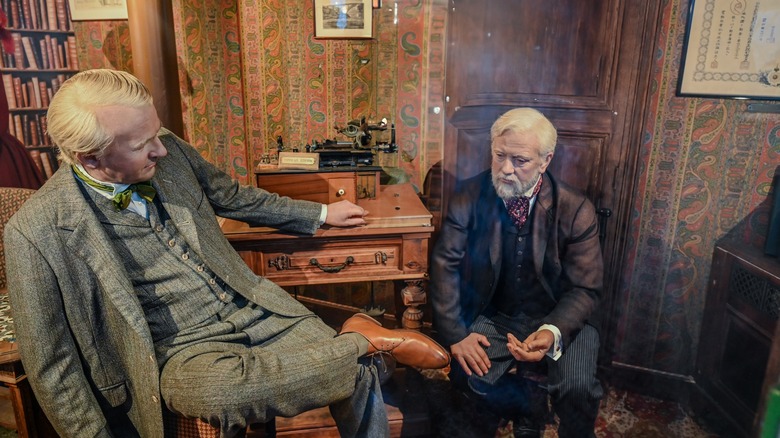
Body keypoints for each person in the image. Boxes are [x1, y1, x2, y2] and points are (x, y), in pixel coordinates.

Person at [4, 68, 449, 437]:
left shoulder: (169, 149)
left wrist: (320, 213)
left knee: (357, 373)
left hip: (254, 307)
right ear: (90, 157)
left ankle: (356, 349)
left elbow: (233, 196)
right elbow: (52, 363)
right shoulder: (36, 230)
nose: (161, 148)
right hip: (181, 351)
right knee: (222, 396)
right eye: (142, 145)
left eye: (156, 132)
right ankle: (362, 340)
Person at [430, 107, 603, 437]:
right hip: (497, 314)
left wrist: (553, 331)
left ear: (545, 160)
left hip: (561, 315)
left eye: (520, 160)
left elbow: (586, 288)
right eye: (499, 155)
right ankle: (525, 405)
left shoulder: (576, 207)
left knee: (578, 390)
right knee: (466, 375)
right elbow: (445, 263)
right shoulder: (468, 194)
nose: (506, 169)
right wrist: (456, 334)